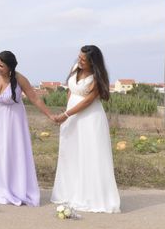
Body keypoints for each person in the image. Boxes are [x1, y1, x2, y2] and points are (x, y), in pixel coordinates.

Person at [0, 51, 55, 206]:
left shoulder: (20, 79)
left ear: (10, 66)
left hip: (14, 122)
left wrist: (50, 115)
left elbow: (35, 98)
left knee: (11, 152)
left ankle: (13, 188)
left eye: (1, 66)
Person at [51, 45, 120, 213]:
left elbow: (87, 101)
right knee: (71, 153)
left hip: (89, 119)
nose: (79, 61)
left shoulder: (97, 77)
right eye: (79, 57)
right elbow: (70, 91)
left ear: (93, 62)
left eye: (84, 59)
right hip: (71, 117)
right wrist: (66, 111)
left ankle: (91, 196)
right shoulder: (75, 68)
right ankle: (70, 192)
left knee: (90, 155)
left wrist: (67, 114)